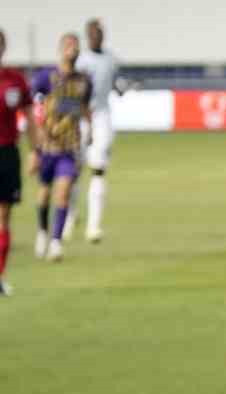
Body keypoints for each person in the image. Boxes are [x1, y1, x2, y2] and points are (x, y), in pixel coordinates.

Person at [31, 33, 92, 263]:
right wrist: (39, 139)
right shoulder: (46, 77)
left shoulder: (84, 81)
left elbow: (85, 108)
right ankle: (42, 231)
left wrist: (91, 128)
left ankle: (56, 243)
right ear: (60, 49)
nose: (73, 49)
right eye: (69, 45)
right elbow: (35, 106)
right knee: (44, 192)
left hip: (70, 146)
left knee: (64, 192)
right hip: (48, 145)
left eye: (76, 46)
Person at [69, 17, 121, 243]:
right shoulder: (81, 61)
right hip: (80, 117)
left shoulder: (111, 59)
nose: (96, 36)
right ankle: (69, 216)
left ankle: (93, 226)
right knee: (73, 169)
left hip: (102, 116)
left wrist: (123, 87)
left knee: (98, 167)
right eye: (92, 33)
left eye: (99, 33)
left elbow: (115, 85)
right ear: (87, 36)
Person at [0, 28, 32, 296]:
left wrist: (36, 150)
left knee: (4, 217)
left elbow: (30, 115)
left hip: (8, 153)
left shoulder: (15, 81)